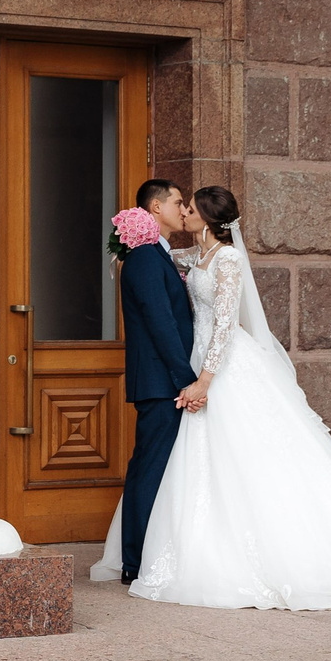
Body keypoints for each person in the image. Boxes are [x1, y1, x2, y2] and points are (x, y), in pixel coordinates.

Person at [99, 184, 331, 611]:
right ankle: (167, 550)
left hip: (215, 368)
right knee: (193, 463)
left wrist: (203, 379)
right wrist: (126, 244)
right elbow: (160, 271)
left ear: (208, 218)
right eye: (181, 205)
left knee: (242, 457)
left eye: (191, 208)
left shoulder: (229, 259)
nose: (185, 212)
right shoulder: (188, 256)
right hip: (185, 368)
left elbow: (222, 324)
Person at [113, 179, 196, 585]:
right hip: (161, 384)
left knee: (159, 471)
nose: (184, 210)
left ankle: (148, 556)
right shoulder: (146, 257)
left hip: (165, 382)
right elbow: (160, 322)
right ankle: (136, 562)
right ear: (157, 206)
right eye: (179, 202)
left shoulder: (159, 255)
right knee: (149, 470)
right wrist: (187, 379)